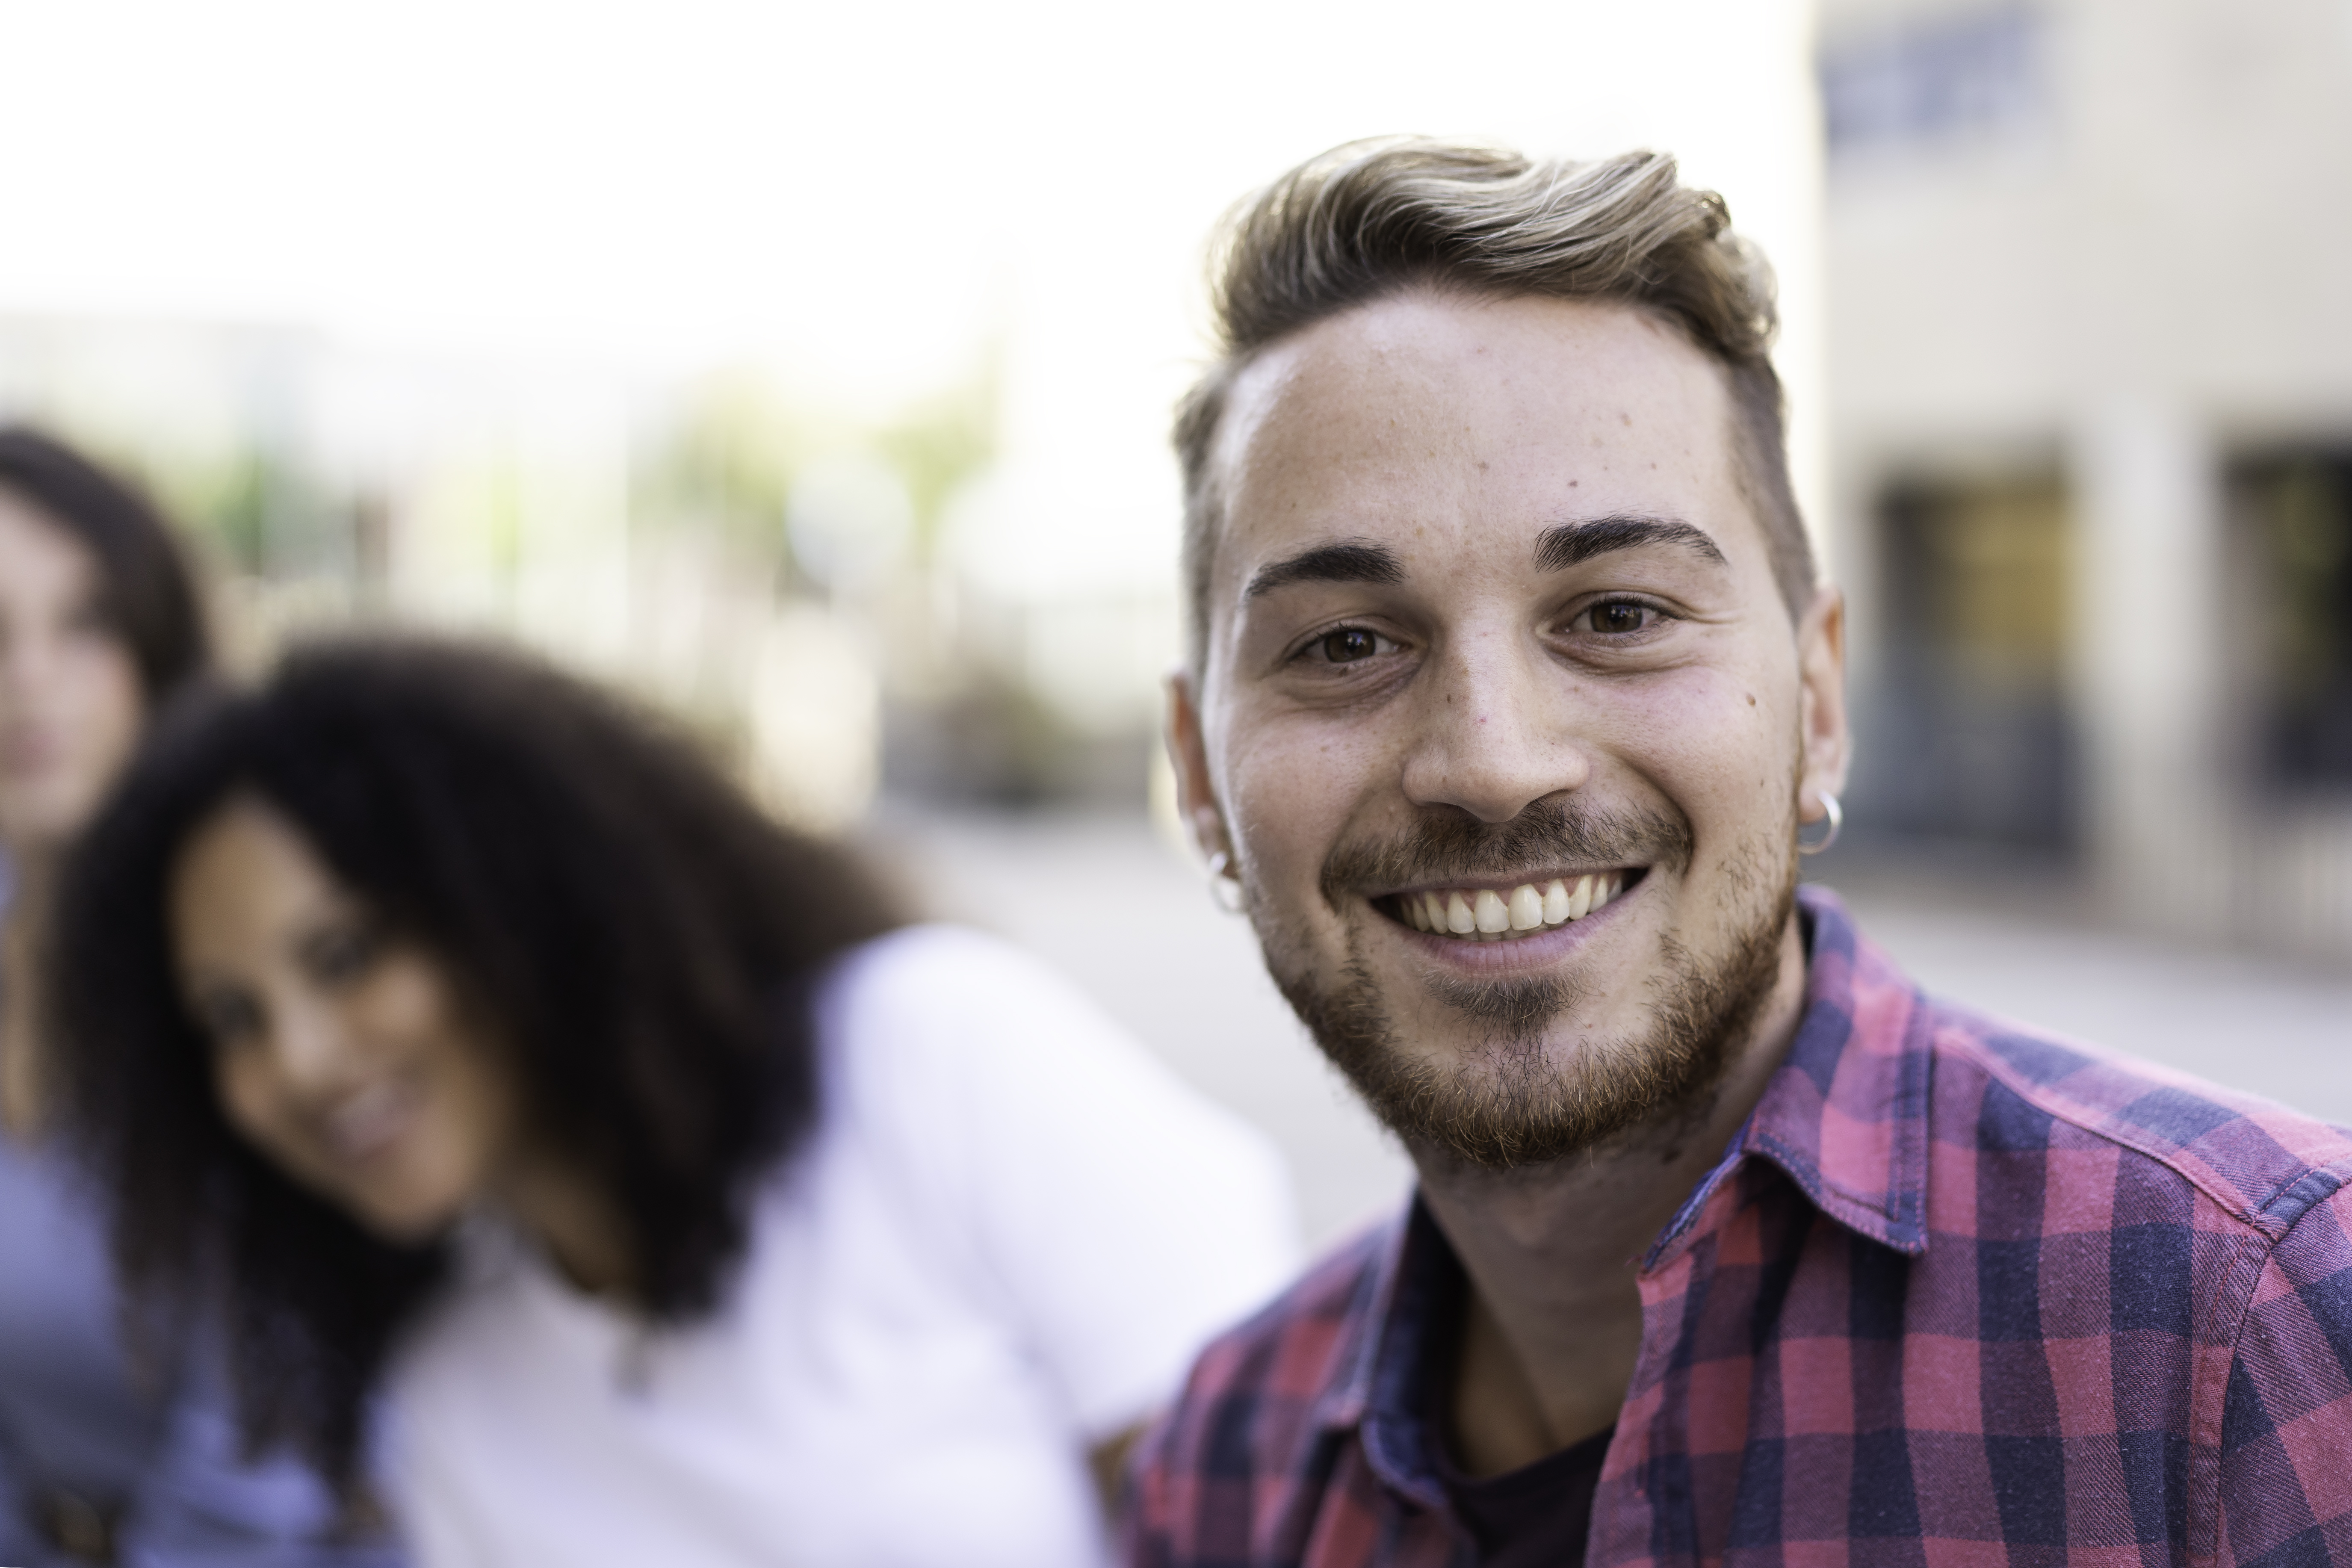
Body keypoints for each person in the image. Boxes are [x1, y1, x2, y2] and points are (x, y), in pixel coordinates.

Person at [1128, 139, 2352, 1567]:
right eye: (1344, 644)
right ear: (1197, 775)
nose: (1490, 759)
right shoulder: (1226, 1462)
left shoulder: (2256, 1324)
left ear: (1817, 704)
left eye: (1619, 612)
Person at [50, 635, 1297, 1568]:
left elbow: (1272, 1512)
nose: (303, 1059)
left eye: (345, 954)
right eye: (232, 1018)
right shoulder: (452, 1398)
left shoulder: (926, 1050)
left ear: (513, 890)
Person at [0, 427, 400, 1567]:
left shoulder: (249, 961)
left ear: (157, 645)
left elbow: (261, 1455)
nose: (27, 676)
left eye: (85, 624)